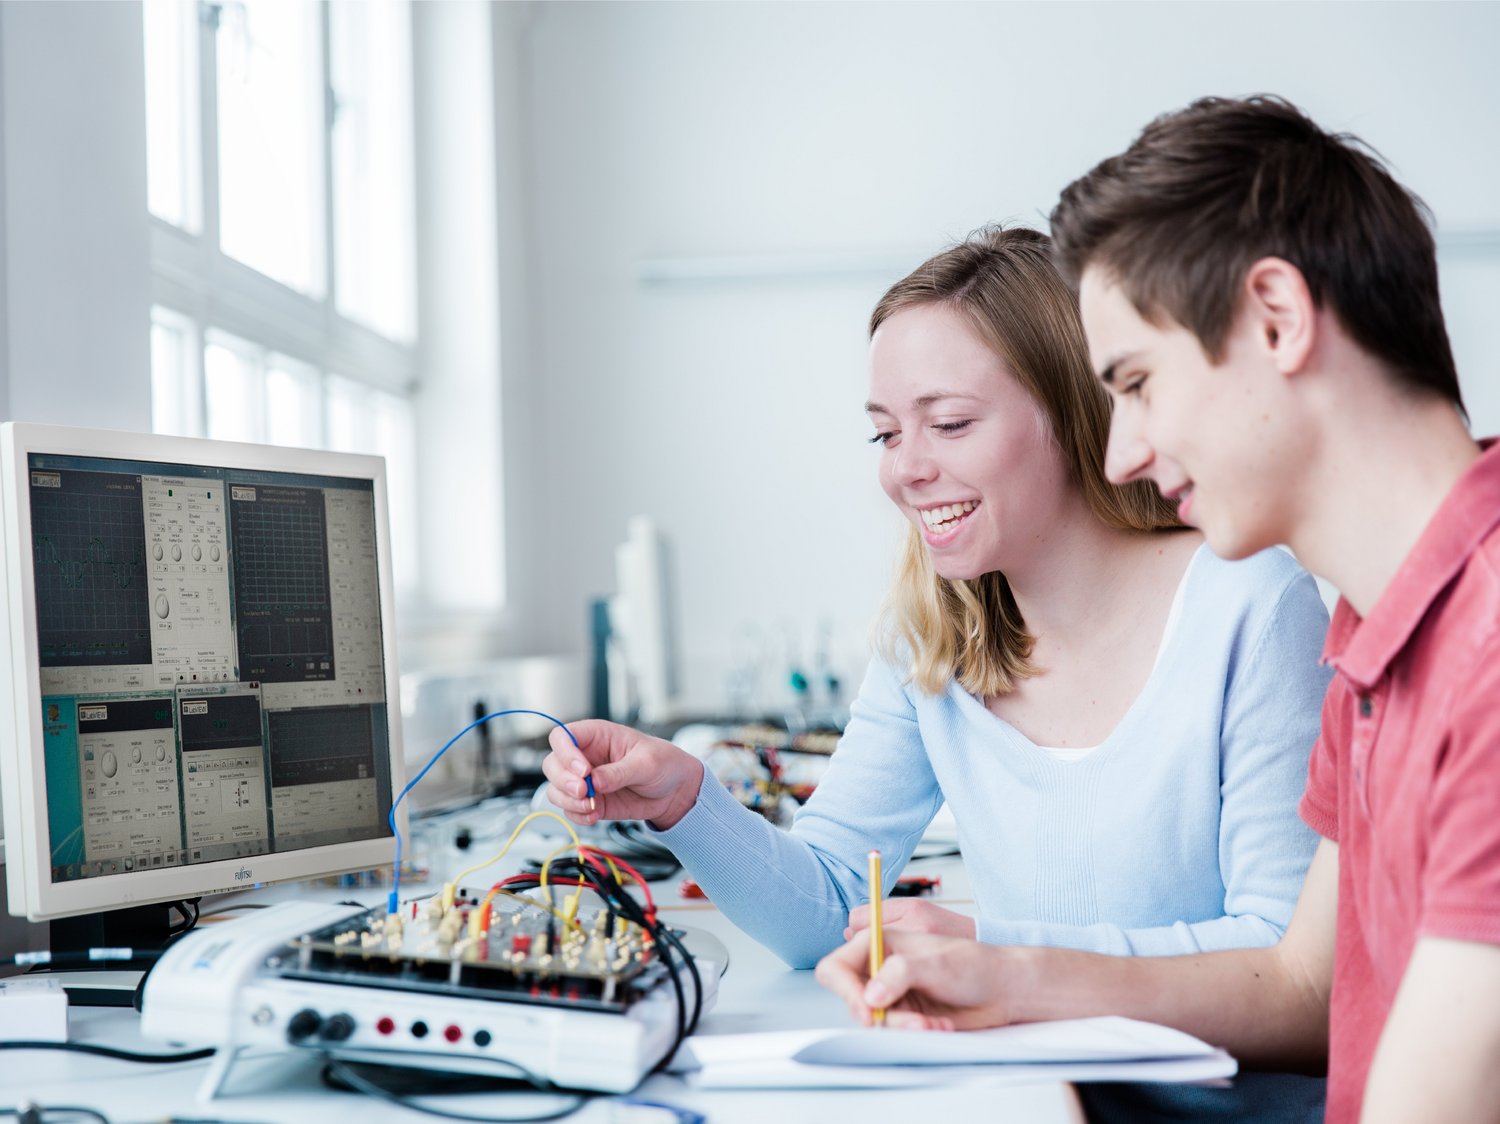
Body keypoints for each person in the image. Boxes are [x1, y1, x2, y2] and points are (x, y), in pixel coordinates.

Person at [817, 95, 1500, 1124]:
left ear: (1277, 316)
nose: (1122, 451)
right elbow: (1305, 980)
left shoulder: (1487, 645)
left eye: (1136, 383)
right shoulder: (1379, 628)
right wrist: (1009, 976)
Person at [545, 228, 1330, 1111]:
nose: (906, 470)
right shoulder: (933, 628)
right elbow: (831, 912)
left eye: (948, 423)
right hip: (1044, 1100)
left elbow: (1291, 970)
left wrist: (997, 956)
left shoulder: (1251, 604)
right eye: (885, 434)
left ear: (1073, 413)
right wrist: (688, 804)